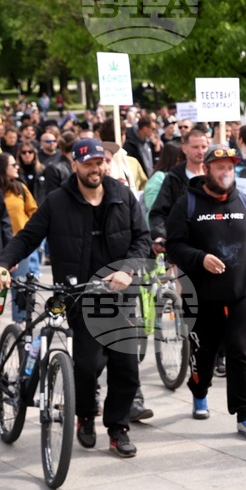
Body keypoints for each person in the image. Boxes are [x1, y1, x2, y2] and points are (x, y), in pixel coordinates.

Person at [0, 139, 151, 457]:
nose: (95, 169)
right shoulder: (57, 201)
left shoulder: (122, 195)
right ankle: (85, 415)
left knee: (126, 366)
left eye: (99, 162)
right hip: (80, 294)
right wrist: (4, 263)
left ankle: (118, 428)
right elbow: (27, 237)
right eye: (88, 163)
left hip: (119, 293)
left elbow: (142, 239)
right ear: (75, 165)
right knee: (87, 364)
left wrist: (127, 270)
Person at [165, 145, 246, 439]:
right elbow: (174, 246)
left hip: (241, 292)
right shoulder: (187, 204)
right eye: (220, 167)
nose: (226, 172)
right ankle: (199, 392)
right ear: (206, 169)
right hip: (201, 296)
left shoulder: (243, 202)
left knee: (238, 351)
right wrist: (200, 259)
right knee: (204, 353)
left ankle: (245, 414)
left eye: (230, 167)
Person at [148, 124, 210, 249]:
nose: (200, 151)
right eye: (195, 147)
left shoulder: (213, 176)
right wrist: (160, 235)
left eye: (204, 147)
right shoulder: (174, 178)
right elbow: (159, 211)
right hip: (181, 245)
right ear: (185, 149)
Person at [0, 153, 38, 322]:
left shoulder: (20, 188)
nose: (17, 167)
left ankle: (20, 324)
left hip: (20, 246)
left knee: (20, 287)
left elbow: (34, 211)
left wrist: (28, 231)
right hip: (2, 244)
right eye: (13, 165)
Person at [143, 141, 184, 224]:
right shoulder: (159, 177)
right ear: (178, 158)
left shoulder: (182, 176)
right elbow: (151, 203)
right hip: (160, 225)